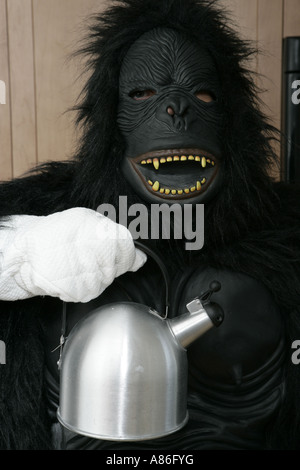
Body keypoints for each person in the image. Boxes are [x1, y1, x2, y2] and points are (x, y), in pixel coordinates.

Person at [0, 0, 300, 450]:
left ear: (234, 121)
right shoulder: (49, 213)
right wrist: (21, 254)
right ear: (108, 121)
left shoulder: (283, 229)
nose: (176, 109)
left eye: (202, 95)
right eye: (143, 95)